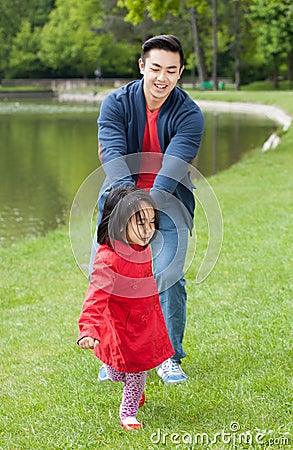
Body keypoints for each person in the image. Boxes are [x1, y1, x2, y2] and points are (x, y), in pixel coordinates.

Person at [93, 34, 204, 384]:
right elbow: (112, 155)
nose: (162, 77)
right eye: (155, 68)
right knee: (112, 278)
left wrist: (149, 209)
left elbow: (172, 169)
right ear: (142, 66)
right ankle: (114, 357)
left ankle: (168, 356)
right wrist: (129, 208)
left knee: (167, 275)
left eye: (171, 70)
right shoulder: (115, 103)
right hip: (119, 199)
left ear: (180, 72)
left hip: (168, 201)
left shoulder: (190, 115)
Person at [78, 185, 174, 430]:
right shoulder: (108, 259)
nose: (148, 230)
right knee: (117, 372)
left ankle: (128, 413)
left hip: (145, 324)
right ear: (120, 225)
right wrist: (89, 329)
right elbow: (95, 296)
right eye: (141, 223)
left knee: (137, 371)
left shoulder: (142, 248)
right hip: (121, 327)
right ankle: (118, 374)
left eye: (152, 222)